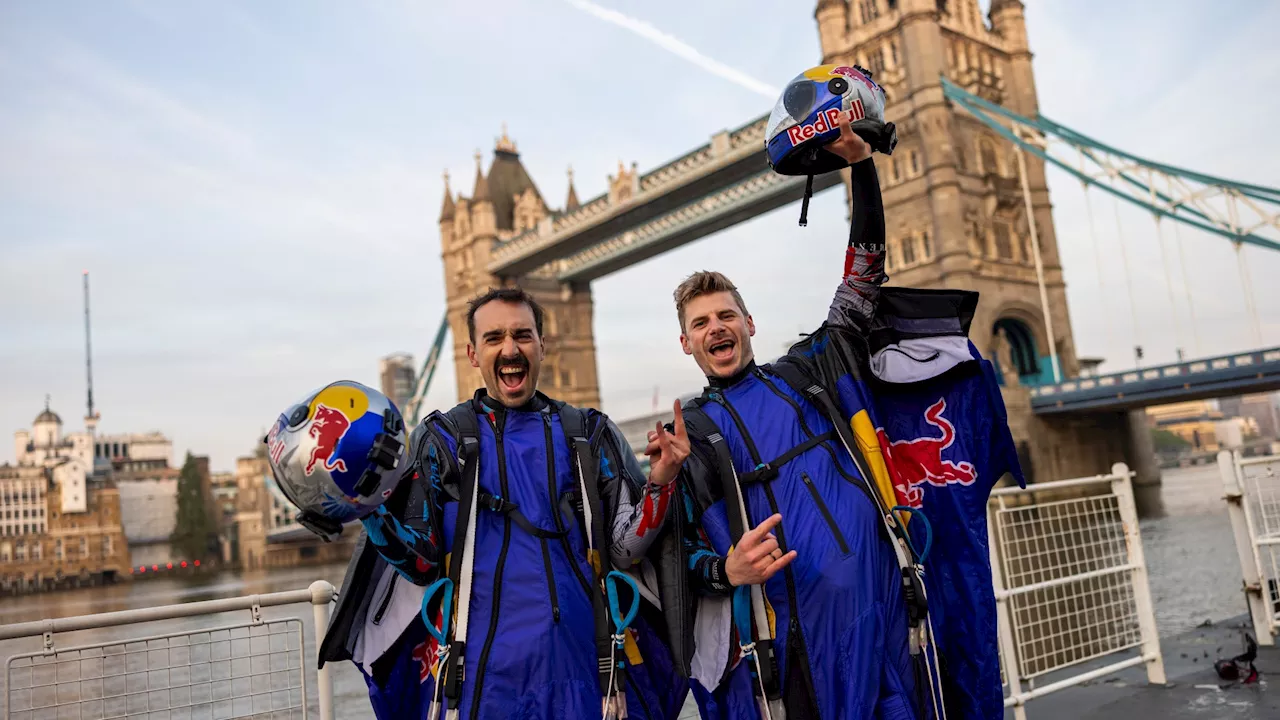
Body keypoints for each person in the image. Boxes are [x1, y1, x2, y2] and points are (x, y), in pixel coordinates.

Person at [659, 64, 1022, 720]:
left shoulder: (809, 371)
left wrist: (862, 169)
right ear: (688, 345)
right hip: (804, 647)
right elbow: (679, 562)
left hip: (890, 613)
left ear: (749, 324)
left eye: (725, 316)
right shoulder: (693, 437)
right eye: (701, 324)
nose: (717, 328)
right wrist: (727, 571)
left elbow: (864, 272)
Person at [266, 287, 691, 720]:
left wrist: (662, 480)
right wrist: (370, 509)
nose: (510, 348)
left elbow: (624, 549)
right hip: (483, 686)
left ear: (543, 345)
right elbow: (423, 564)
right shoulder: (442, 441)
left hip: (587, 674)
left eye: (523, 335)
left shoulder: (589, 432)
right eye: (494, 338)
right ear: (473, 353)